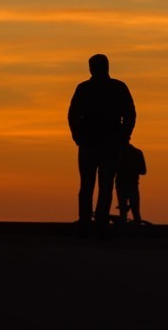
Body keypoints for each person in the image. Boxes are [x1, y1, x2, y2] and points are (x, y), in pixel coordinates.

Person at [67, 54, 137, 234]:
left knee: (96, 185)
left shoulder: (89, 88)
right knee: (96, 185)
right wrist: (78, 136)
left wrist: (123, 137)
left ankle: (93, 223)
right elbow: (73, 115)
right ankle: (94, 222)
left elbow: (129, 115)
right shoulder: (111, 88)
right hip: (98, 143)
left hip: (102, 143)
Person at [117, 142, 147, 226]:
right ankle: (137, 228)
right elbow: (143, 170)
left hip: (124, 184)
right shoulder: (137, 153)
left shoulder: (118, 153)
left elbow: (143, 171)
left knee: (124, 210)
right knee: (135, 210)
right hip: (131, 184)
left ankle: (125, 228)